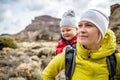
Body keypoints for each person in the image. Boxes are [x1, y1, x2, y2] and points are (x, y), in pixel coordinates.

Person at [42, 9, 120, 80]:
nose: (81, 30)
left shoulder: (115, 59)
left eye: (89, 25)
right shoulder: (69, 54)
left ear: (102, 31)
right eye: (80, 25)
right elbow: (47, 75)